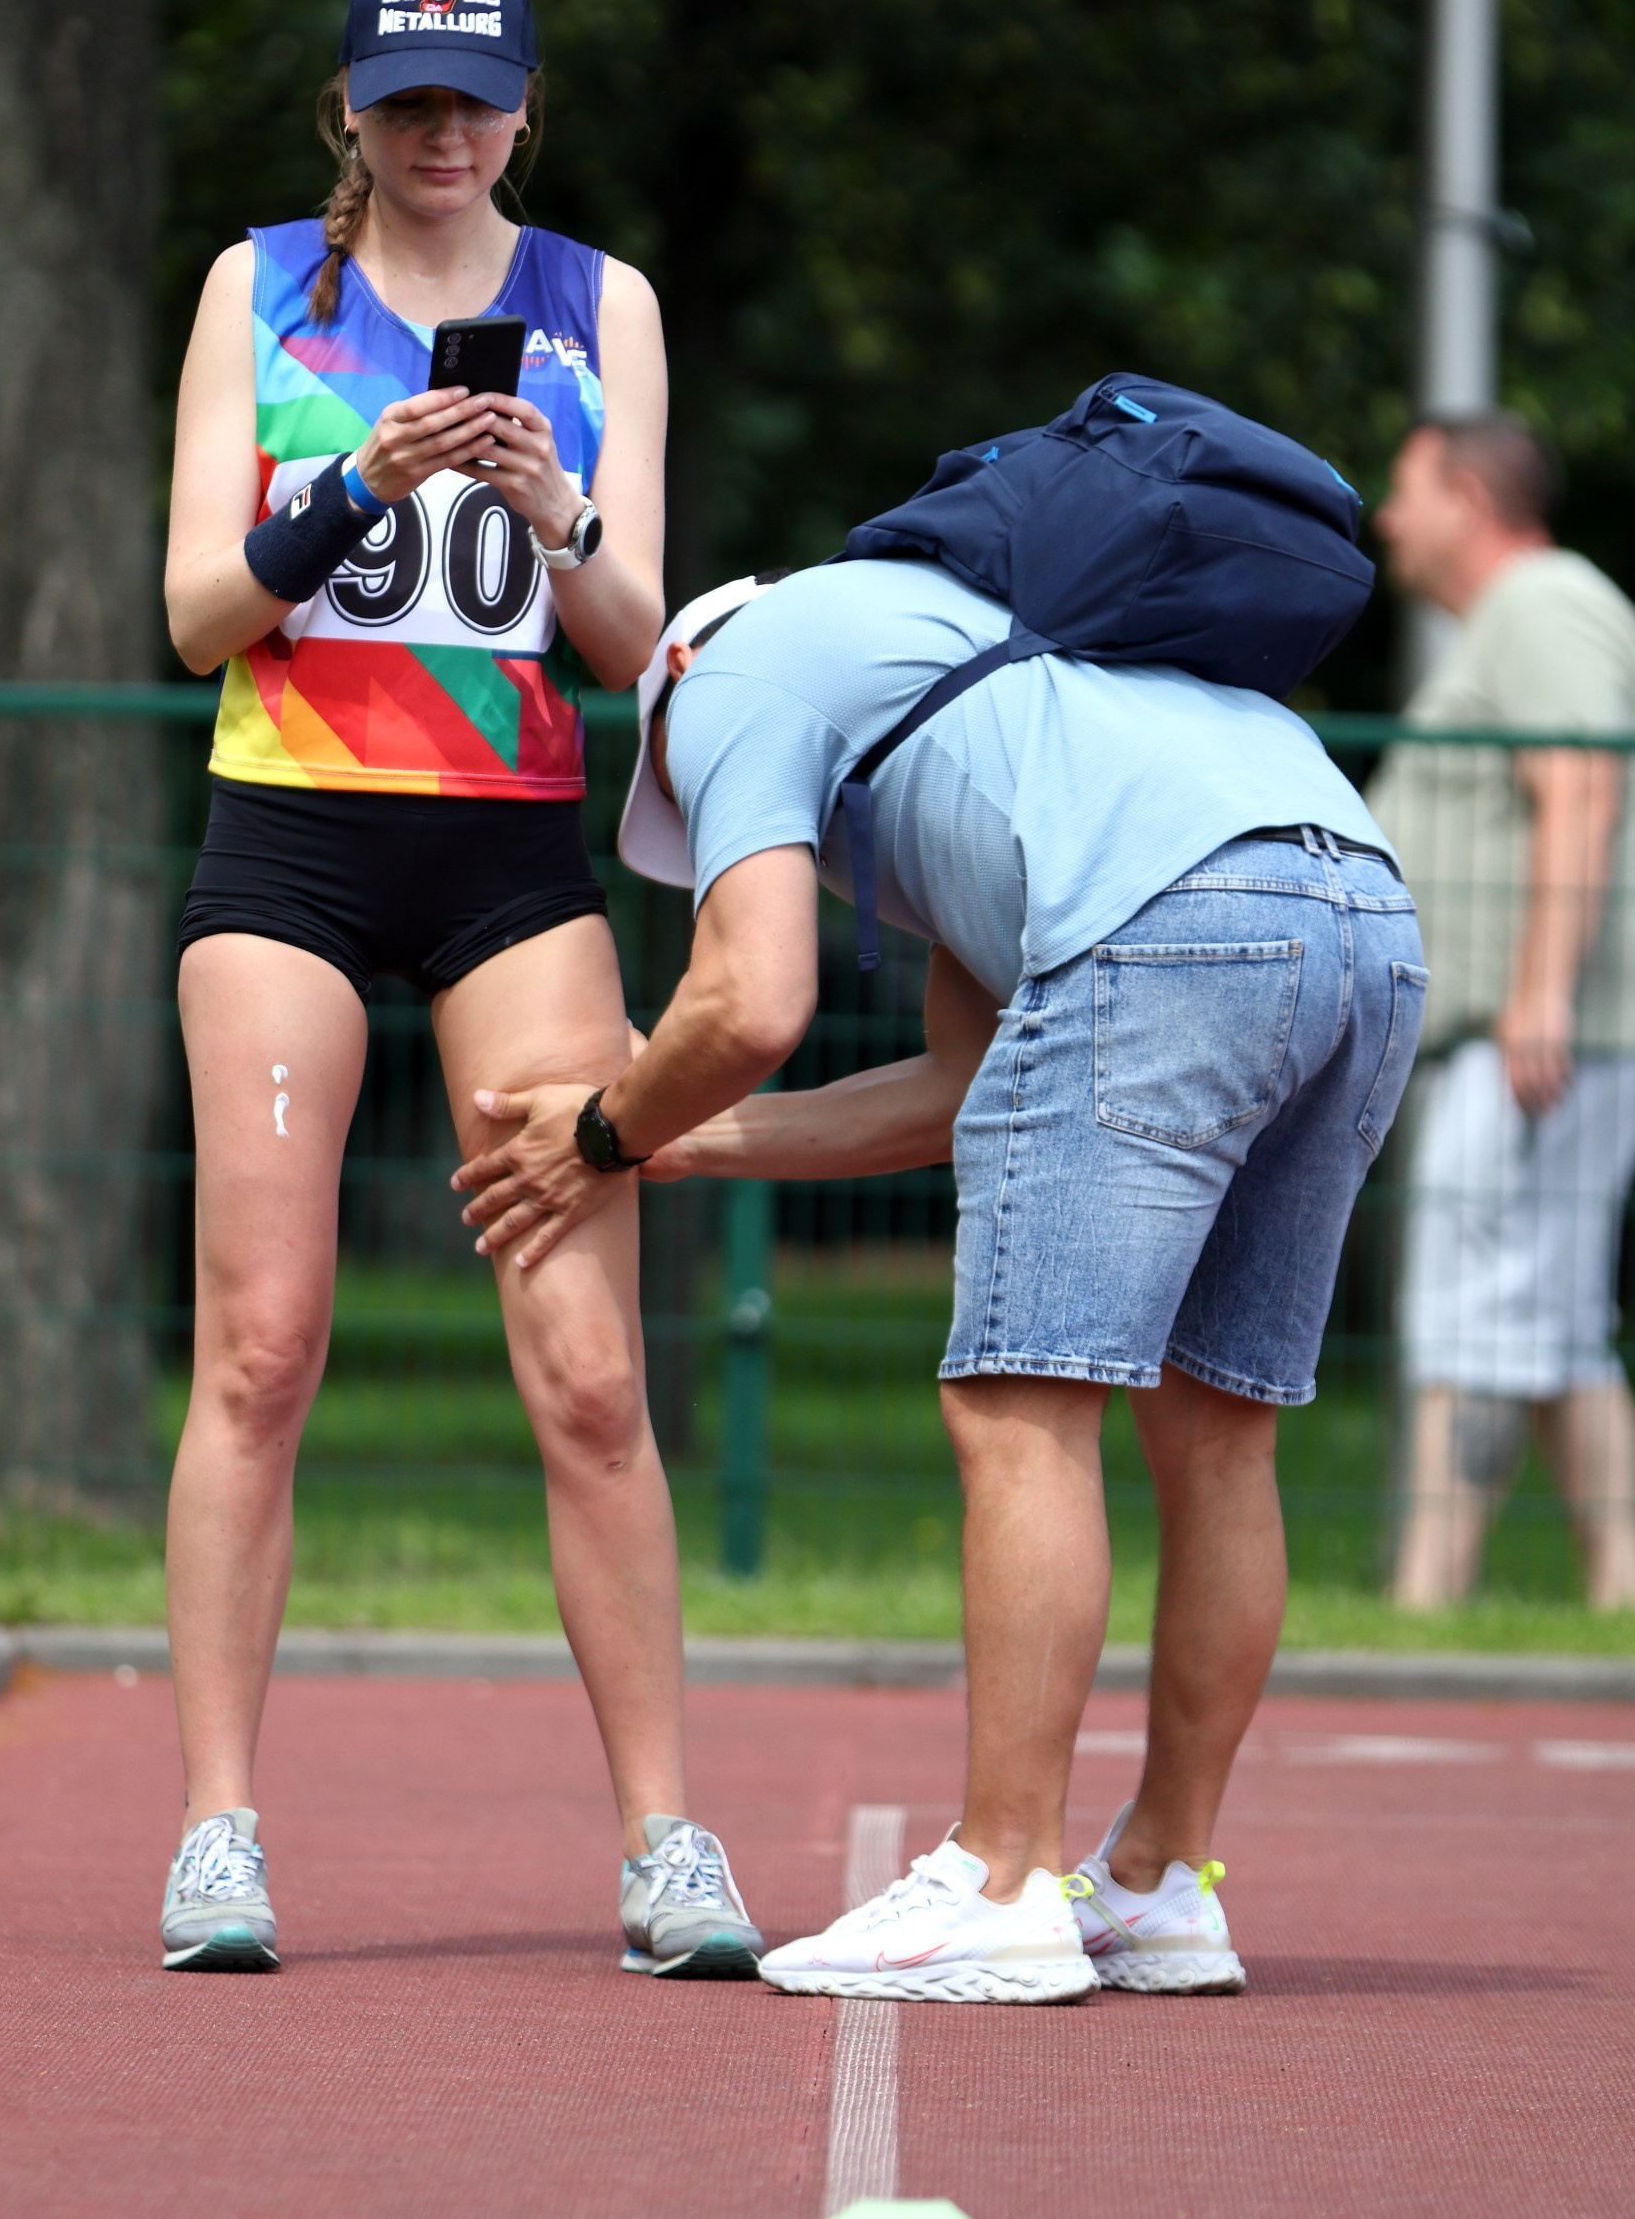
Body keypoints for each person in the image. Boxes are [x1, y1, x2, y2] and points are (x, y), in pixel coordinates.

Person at [454, 550, 1424, 2002]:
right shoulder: (977, 674)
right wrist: (671, 1140)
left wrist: (603, 1126)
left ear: (674, 690)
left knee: (1018, 1406)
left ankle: (1002, 1880)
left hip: (1164, 922)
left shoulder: (728, 681)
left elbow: (750, 1000)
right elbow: (962, 1087)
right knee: (1219, 1432)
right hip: (1359, 913)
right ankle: (1160, 1885)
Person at [157, 0, 764, 1978]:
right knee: (263, 1344)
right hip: (291, 846)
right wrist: (355, 485)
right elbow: (195, 617)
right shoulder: (263, 287)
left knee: (589, 1372)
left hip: (510, 852)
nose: (441, 133)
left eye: (474, 101)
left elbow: (640, 646)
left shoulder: (602, 304)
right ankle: (218, 1831)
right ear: (348, 107)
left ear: (524, 113)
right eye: (406, 100)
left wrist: (558, 511)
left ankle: (665, 1840)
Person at [1371, 415, 1635, 1611]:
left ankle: (1428, 1596)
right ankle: (1614, 1592)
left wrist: (1536, 996)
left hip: (1531, 1041)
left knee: (1469, 1317)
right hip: (1543, 1037)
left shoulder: (1539, 601)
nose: (1387, 519)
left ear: (1469, 500)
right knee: (1548, 1327)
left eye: (1405, 491)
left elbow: (1577, 777)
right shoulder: (1533, 610)